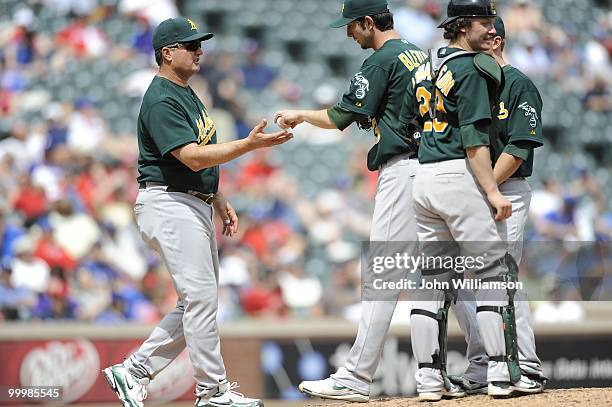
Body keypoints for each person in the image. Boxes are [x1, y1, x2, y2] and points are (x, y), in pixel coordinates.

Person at [102, 17, 292, 407]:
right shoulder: (161, 97)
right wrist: (249, 146)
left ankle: (135, 370)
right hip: (169, 202)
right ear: (167, 53)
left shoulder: (186, 93)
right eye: (190, 45)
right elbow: (189, 157)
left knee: (197, 301)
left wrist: (217, 197)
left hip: (190, 200)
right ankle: (212, 392)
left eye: (198, 44)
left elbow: (197, 159)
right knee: (201, 299)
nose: (199, 49)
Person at [274, 0, 453, 402]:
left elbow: (340, 117)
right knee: (444, 274)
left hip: (405, 168)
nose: (348, 33)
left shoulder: (383, 58)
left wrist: (300, 115)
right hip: (438, 168)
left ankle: (356, 375)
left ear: (369, 22)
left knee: (384, 274)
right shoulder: (416, 53)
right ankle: (478, 366)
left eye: (352, 26)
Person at [406, 0, 541, 400]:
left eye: (489, 24)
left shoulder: (430, 64)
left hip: (457, 181)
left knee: (452, 280)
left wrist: (487, 188)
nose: (487, 29)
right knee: (484, 279)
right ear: (466, 28)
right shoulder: (469, 70)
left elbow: (516, 147)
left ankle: (441, 378)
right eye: (482, 22)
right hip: (464, 181)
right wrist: (487, 190)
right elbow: (472, 140)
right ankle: (494, 369)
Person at [449, 15, 547, 394]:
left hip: (507, 189)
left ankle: (525, 363)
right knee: (456, 277)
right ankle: (484, 361)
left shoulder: (520, 84)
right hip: (474, 190)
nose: (486, 40)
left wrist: (487, 185)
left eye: (491, 35)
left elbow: (518, 148)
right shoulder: (471, 81)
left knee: (502, 275)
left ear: (498, 41)